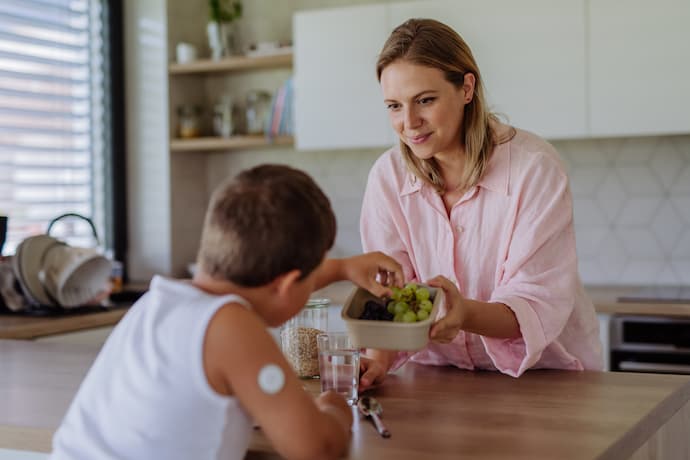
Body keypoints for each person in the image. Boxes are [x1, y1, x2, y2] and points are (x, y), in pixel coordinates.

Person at [50, 164, 403, 460]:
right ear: (287, 283)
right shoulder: (231, 327)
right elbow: (317, 447)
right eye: (314, 275)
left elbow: (277, 287)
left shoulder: (158, 302)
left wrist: (341, 269)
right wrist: (335, 409)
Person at [358, 18, 603, 388]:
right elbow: (392, 291)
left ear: (466, 88)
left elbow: (533, 302)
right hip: (439, 382)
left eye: (425, 100)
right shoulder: (387, 178)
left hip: (545, 380)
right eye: (394, 106)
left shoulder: (533, 168)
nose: (409, 123)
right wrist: (377, 361)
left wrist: (464, 313)